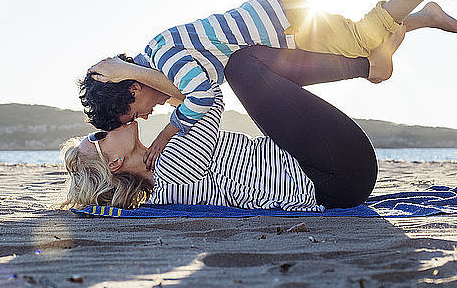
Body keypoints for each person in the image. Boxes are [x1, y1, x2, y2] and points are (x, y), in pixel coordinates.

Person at [80, 0, 457, 170]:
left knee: (362, 40)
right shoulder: (159, 51)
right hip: (278, 18)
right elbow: (193, 88)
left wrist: (165, 137)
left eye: (134, 112)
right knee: (362, 42)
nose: (144, 117)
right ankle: (424, 17)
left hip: (285, 28)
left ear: (133, 87)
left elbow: (204, 96)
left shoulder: (168, 61)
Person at [63, 39, 406, 210]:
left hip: (330, 173)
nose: (107, 125)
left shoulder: (161, 180)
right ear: (114, 163)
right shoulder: (170, 168)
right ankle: (366, 65)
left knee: (249, 67)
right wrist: (135, 73)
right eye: (98, 135)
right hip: (335, 171)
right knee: (241, 66)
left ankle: (360, 55)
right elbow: (207, 94)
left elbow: (191, 99)